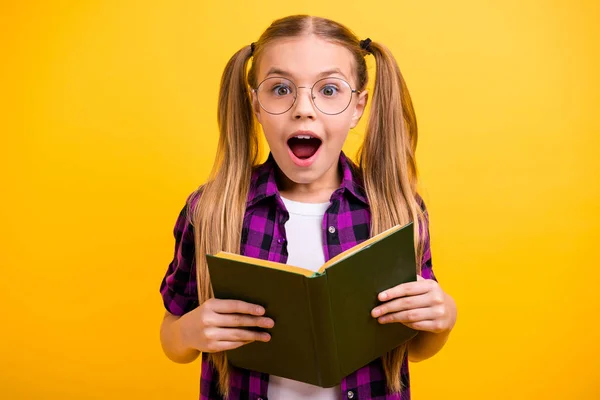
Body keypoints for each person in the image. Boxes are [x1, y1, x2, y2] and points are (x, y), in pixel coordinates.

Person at [159, 14, 457, 400]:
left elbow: (414, 347)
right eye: (280, 89)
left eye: (329, 90)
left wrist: (442, 320)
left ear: (357, 107)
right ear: (256, 105)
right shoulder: (211, 209)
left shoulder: (397, 211)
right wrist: (189, 331)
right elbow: (172, 337)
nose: (303, 108)